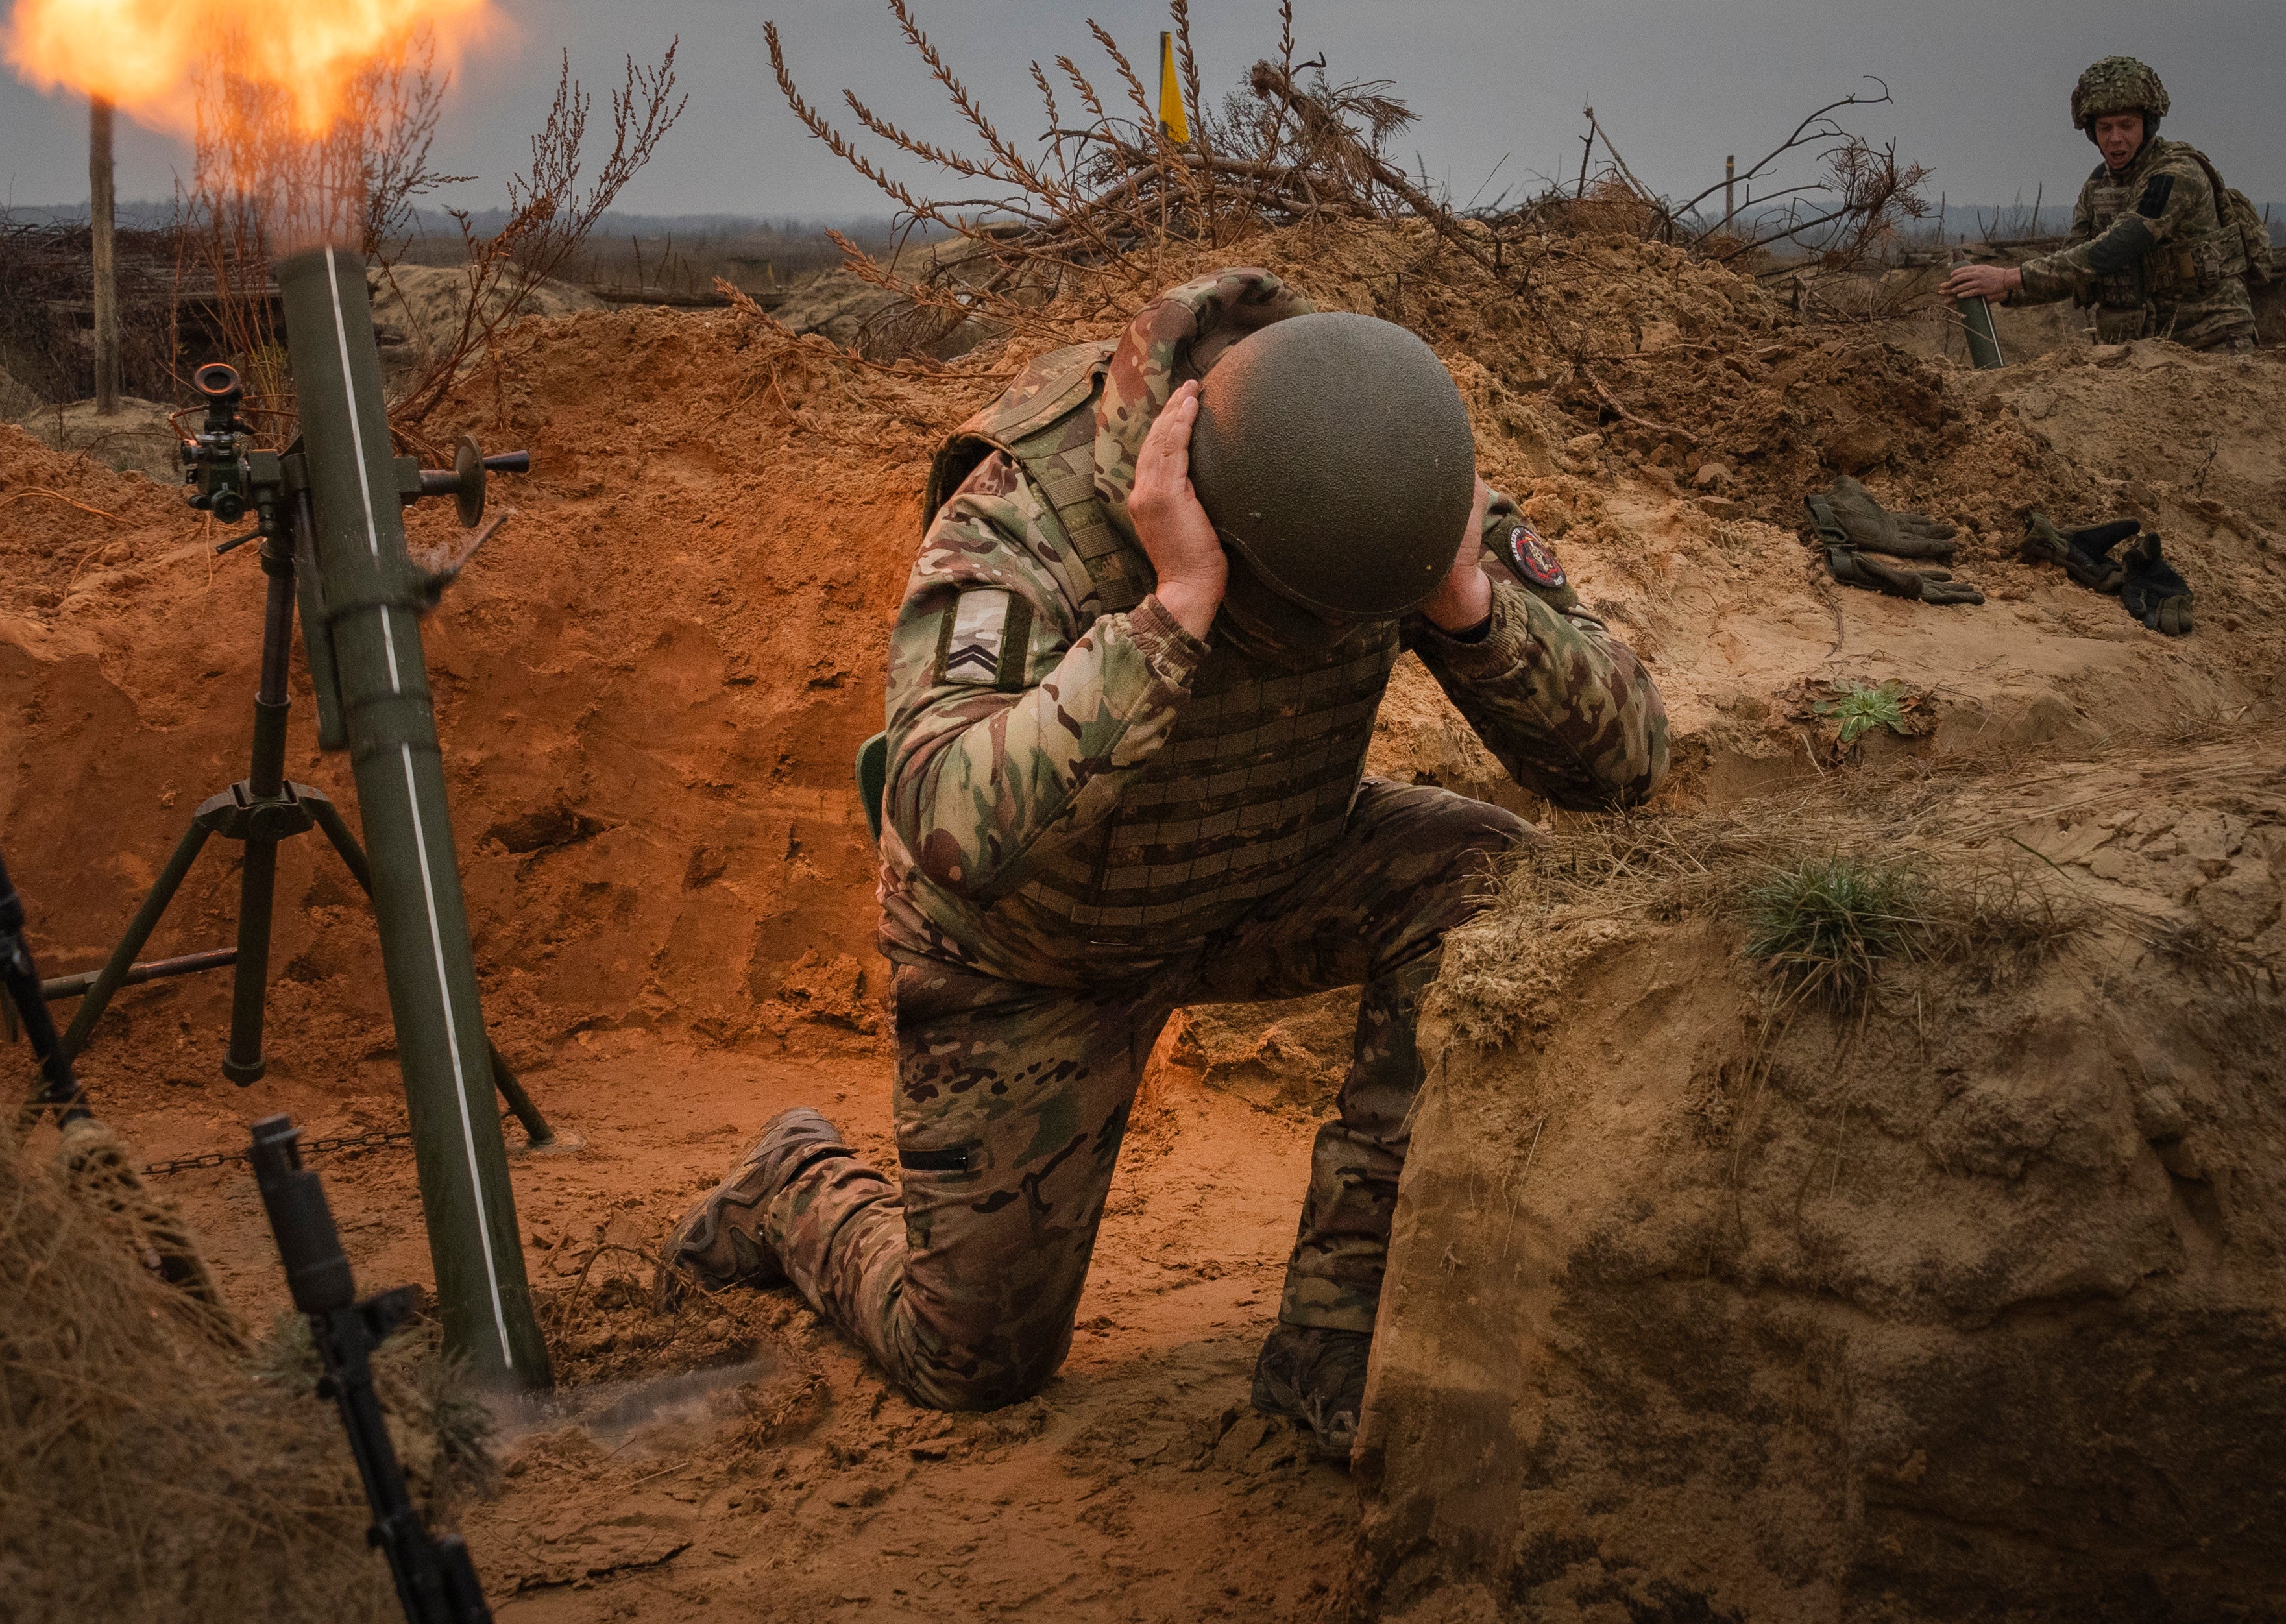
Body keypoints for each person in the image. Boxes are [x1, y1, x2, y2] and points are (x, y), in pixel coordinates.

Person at [663, 269, 1669, 1460]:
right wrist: (1177, 609)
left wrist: (1460, 598)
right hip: (1036, 948)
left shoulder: (1373, 471)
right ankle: (791, 1181)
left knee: (1483, 873)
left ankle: (1331, 1339)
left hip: (1262, 872)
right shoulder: (1023, 514)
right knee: (972, 1362)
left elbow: (1626, 764)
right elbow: (940, 824)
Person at [1941, 56, 2256, 352]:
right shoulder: (2097, 186)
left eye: (2127, 125)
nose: (2116, 138)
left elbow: (2118, 246)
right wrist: (2007, 292)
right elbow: (2073, 266)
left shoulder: (2176, 174)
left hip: (2210, 341)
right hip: (2139, 351)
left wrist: (2010, 277)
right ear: (2093, 133)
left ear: (2148, 126)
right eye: (2106, 128)